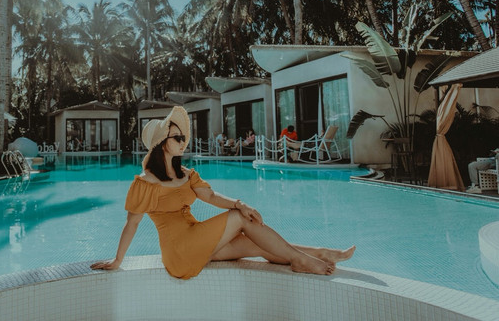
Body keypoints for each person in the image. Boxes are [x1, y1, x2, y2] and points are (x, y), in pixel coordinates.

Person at [91, 106, 355, 279]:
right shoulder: (146, 182)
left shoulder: (186, 174)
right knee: (240, 218)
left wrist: (240, 203)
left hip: (197, 238)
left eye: (183, 137)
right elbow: (132, 224)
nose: (183, 142)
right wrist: (117, 259)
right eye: (177, 138)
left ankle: (320, 253)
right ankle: (301, 260)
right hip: (179, 250)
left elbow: (211, 196)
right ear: (161, 143)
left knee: (255, 242)